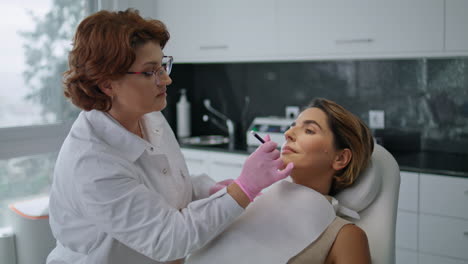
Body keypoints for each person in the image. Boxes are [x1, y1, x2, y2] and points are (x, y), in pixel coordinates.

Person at [46, 9, 293, 264]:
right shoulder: (93, 163)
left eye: (163, 65)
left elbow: (168, 181)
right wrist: (243, 188)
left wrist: (209, 190)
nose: (167, 79)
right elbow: (169, 239)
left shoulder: (148, 115)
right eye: (150, 71)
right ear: (107, 84)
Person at [187, 98, 373, 264]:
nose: (288, 134)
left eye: (309, 130)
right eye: (292, 126)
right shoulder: (246, 204)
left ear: (340, 158)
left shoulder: (345, 236)